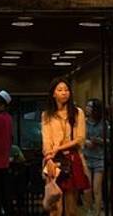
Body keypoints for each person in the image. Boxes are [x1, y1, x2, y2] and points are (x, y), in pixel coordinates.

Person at [42, 77, 90, 216]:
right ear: (53, 94)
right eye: (60, 90)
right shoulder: (47, 115)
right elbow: (46, 141)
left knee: (71, 208)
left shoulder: (77, 112)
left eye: (66, 89)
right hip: (53, 160)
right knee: (55, 206)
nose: (64, 92)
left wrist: (59, 148)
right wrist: (49, 158)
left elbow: (80, 139)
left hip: (72, 158)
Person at [83, 98, 105, 216]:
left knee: (97, 188)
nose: (87, 108)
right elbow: (78, 138)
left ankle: (97, 212)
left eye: (90, 106)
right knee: (87, 188)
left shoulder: (103, 123)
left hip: (99, 158)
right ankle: (89, 210)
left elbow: (110, 141)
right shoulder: (83, 123)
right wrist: (85, 142)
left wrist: (99, 141)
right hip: (86, 157)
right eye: (87, 106)